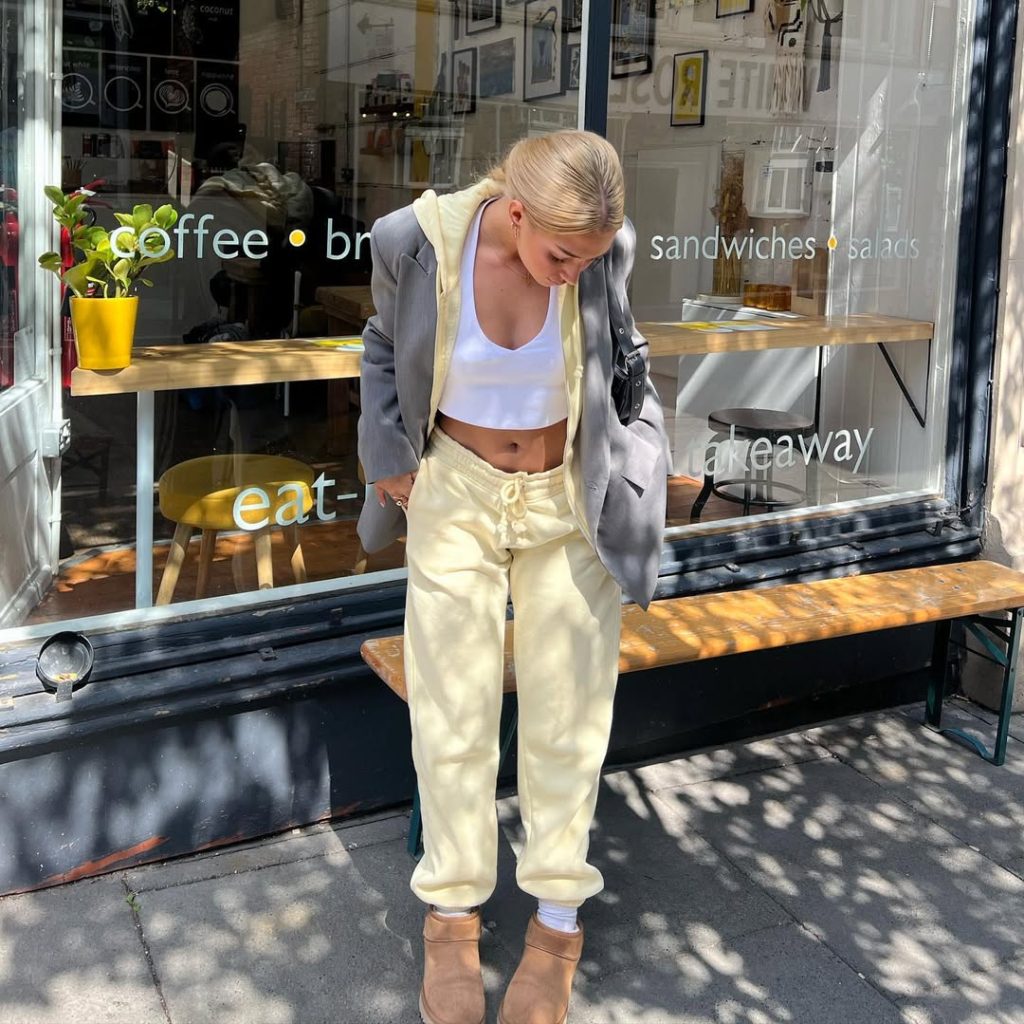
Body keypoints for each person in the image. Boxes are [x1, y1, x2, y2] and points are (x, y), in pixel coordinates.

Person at [357, 129, 670, 1024]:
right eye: (562, 256)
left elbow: (626, 358)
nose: (574, 274)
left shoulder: (603, 255)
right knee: (452, 706)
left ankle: (557, 923)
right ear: (517, 212)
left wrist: (640, 459)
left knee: (569, 710)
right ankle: (451, 919)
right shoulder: (413, 242)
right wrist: (390, 459)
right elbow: (380, 345)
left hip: (566, 496)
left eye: (591, 260)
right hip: (454, 489)